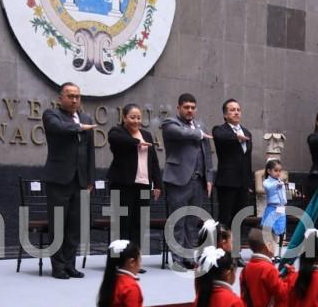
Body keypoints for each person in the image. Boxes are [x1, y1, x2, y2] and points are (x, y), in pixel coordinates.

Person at [42, 82, 96, 279]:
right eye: (70, 96)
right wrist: (80, 127)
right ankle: (58, 267)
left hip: (80, 181)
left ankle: (70, 265)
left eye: (77, 96)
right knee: (58, 225)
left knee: (75, 226)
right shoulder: (51, 115)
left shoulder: (86, 118)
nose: (74, 100)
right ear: (60, 98)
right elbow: (59, 128)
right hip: (58, 179)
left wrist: (91, 178)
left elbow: (90, 151)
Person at [161, 93, 214, 271]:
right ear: (179, 108)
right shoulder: (170, 123)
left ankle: (189, 257)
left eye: (193, 107)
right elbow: (182, 133)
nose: (190, 110)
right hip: (177, 180)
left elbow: (207, 153)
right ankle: (177, 259)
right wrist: (198, 133)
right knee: (177, 221)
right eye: (186, 107)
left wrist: (209, 178)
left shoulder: (201, 126)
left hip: (198, 181)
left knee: (192, 222)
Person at [107, 104, 163, 273]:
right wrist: (138, 142)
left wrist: (157, 184)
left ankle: (133, 262)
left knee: (138, 225)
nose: (136, 120)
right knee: (122, 224)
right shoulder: (117, 132)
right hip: (123, 185)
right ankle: (118, 262)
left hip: (143, 185)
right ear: (124, 118)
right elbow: (118, 141)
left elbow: (154, 161)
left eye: (139, 117)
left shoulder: (146, 134)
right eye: (132, 117)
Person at [212, 98, 253, 266]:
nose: (236, 112)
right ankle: (221, 252)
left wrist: (249, 183)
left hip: (243, 183)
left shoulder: (247, 132)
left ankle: (236, 253)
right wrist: (237, 137)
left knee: (239, 219)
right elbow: (223, 138)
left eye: (238, 109)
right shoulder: (220, 130)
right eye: (232, 110)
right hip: (227, 182)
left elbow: (247, 159)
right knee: (225, 219)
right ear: (224, 114)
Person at [261, 159, 287, 257]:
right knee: (269, 232)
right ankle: (269, 253)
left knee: (279, 231)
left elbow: (284, 197)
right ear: (269, 171)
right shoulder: (267, 182)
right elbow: (268, 187)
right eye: (276, 170)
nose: (278, 173)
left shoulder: (280, 182)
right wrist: (277, 185)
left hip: (280, 209)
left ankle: (277, 254)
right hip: (272, 208)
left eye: (279, 171)